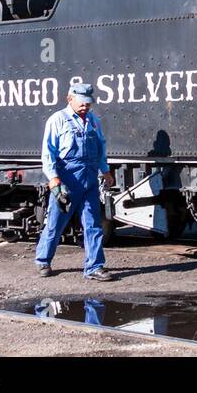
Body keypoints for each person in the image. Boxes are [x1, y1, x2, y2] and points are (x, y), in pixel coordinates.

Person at [35, 83, 115, 281]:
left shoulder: (94, 121)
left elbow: (100, 148)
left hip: (89, 178)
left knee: (93, 224)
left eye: (88, 104)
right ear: (69, 98)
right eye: (82, 103)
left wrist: (106, 172)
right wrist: (53, 179)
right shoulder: (57, 120)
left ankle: (94, 267)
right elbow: (48, 153)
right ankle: (43, 260)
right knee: (55, 222)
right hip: (67, 179)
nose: (86, 107)